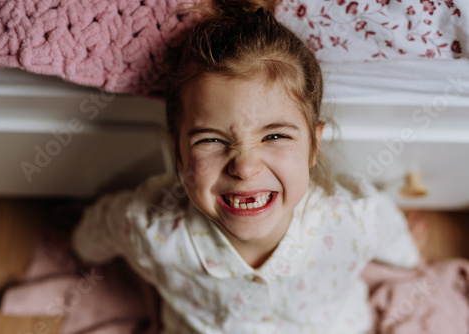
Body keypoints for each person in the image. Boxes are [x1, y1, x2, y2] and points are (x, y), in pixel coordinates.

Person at [72, 1, 420, 333]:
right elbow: (102, 227)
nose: (245, 166)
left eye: (274, 136)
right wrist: (83, 249)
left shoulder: (353, 219)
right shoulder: (150, 227)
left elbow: (390, 232)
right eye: (211, 140)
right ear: (177, 151)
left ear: (313, 145)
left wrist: (408, 257)